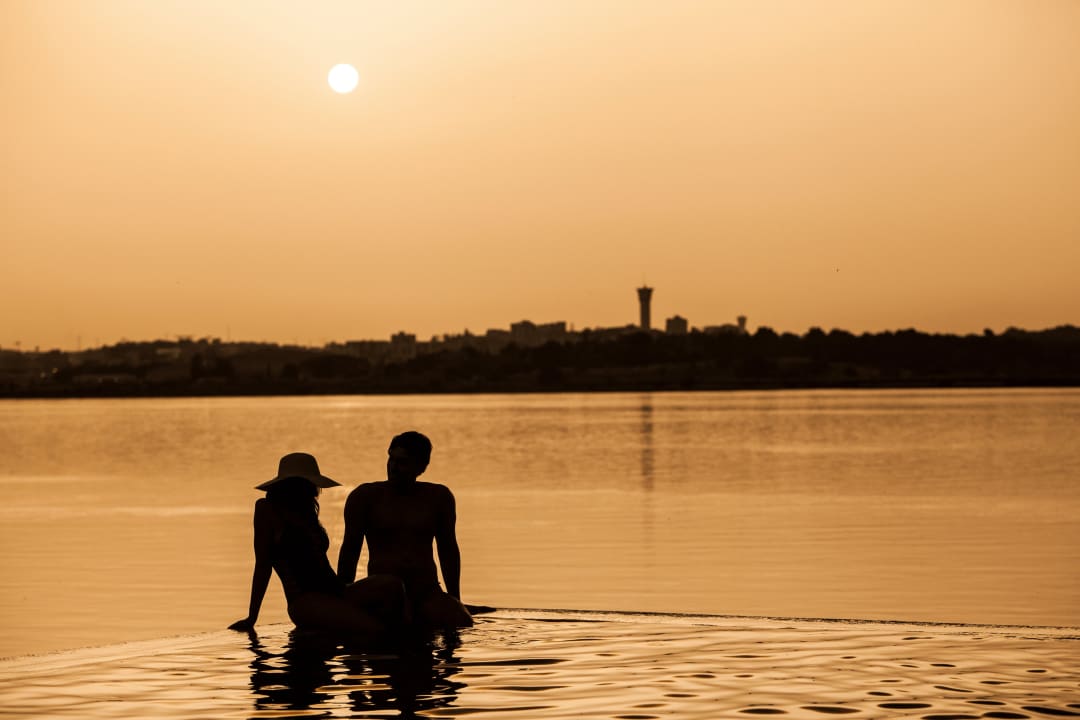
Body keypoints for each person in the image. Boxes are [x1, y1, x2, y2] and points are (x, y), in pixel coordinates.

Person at [229, 452, 405, 636]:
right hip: (305, 600)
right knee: (374, 629)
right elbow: (263, 564)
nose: (315, 489)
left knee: (392, 585)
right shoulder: (267, 510)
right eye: (310, 484)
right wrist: (252, 617)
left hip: (335, 590)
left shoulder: (306, 510)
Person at [338, 431, 474, 629]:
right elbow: (350, 550)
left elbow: (448, 549)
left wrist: (455, 598)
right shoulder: (364, 497)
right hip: (383, 592)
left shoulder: (438, 497)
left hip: (426, 590)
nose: (393, 467)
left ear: (421, 467)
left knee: (461, 621)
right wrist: (344, 597)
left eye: (402, 462)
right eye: (391, 459)